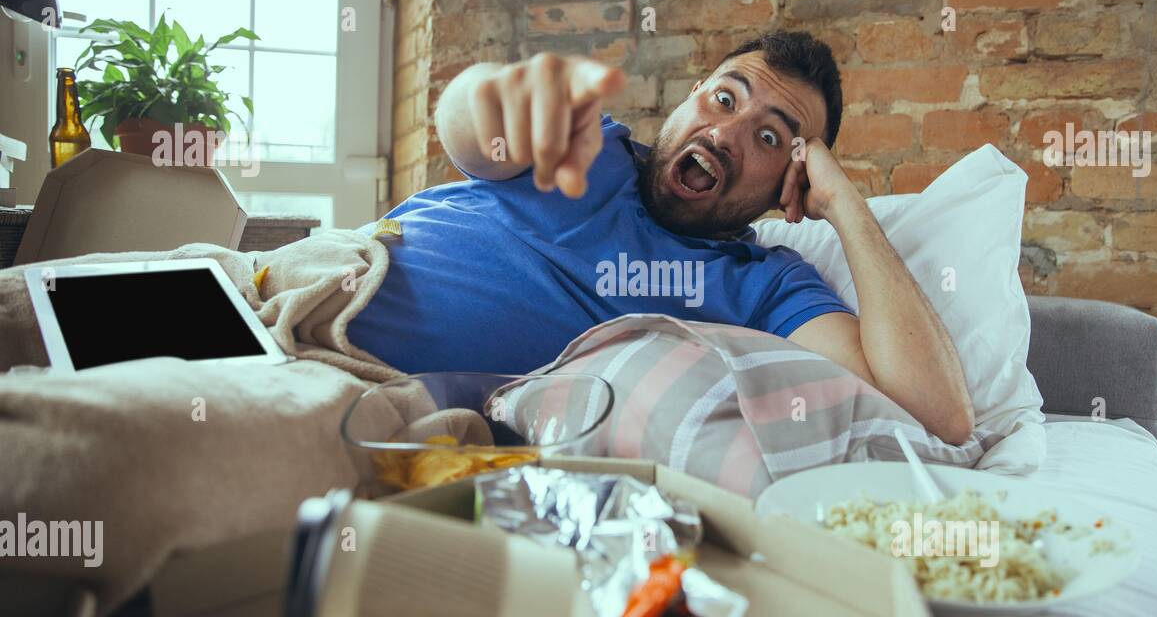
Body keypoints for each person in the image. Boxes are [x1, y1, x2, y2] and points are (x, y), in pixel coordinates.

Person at [349, 30, 974, 444]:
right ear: (688, 99)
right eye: (725, 99)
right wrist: (495, 95)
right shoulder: (590, 146)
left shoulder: (763, 284)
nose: (727, 134)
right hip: (308, 284)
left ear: (794, 178)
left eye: (769, 138)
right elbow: (471, 126)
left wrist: (844, 204)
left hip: (357, 391)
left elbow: (936, 414)